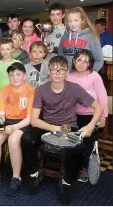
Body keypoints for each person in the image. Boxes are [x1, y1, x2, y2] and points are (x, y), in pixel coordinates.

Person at [21, 56, 103, 205]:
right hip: (47, 125)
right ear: (49, 72)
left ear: (66, 73)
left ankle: (65, 182)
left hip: (68, 127)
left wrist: (90, 126)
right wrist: (54, 129)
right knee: (26, 139)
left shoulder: (75, 89)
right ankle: (35, 173)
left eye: (62, 70)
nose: (58, 73)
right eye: (54, 70)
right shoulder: (40, 90)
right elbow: (34, 120)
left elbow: (99, 108)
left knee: (78, 148)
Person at [0, 62, 34, 197]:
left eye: (18, 74)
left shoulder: (31, 91)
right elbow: (1, 113)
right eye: (12, 75)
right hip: (7, 121)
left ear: (24, 76)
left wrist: (14, 128)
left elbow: (30, 118)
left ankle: (16, 178)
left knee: (13, 140)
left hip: (23, 123)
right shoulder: (5, 89)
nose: (15, 77)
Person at [66, 49, 108, 182]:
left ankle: (84, 167)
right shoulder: (68, 76)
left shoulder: (94, 76)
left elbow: (102, 96)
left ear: (90, 64)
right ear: (74, 61)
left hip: (91, 115)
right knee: (72, 141)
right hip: (73, 115)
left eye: (86, 61)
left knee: (87, 142)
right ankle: (73, 166)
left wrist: (103, 116)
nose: (82, 64)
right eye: (79, 60)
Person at [58, 7, 104, 72]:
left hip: (83, 78)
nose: (72, 24)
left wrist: (89, 74)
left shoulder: (91, 36)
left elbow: (99, 60)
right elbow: (60, 57)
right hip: (66, 77)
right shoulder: (65, 36)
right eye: (70, 21)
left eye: (76, 20)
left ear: (82, 20)